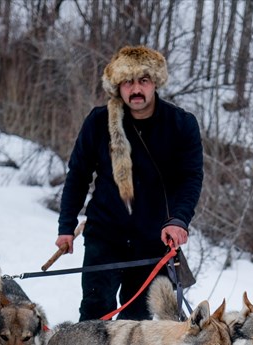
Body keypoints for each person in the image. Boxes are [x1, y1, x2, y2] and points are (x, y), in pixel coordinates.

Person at [56, 45, 203, 321]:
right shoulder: (99, 122)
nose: (136, 89)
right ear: (117, 86)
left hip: (154, 240)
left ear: (155, 82)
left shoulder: (181, 124)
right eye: (128, 82)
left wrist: (179, 220)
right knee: (94, 314)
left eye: (143, 80)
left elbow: (191, 178)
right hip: (104, 235)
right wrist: (66, 226)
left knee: (137, 325)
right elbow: (78, 175)